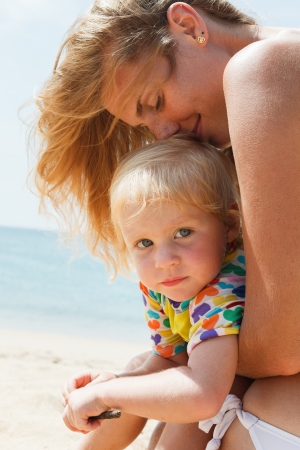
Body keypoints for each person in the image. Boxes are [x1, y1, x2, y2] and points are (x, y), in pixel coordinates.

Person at [34, 0, 300, 449]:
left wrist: (173, 375)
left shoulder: (262, 67)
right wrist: (148, 377)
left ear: (187, 24)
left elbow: (282, 345)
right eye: (145, 122)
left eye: (155, 101)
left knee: (198, 413)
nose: (164, 132)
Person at [62, 135, 248, 450]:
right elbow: (173, 360)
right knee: (136, 370)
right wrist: (114, 384)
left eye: (183, 232)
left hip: (246, 384)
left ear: (229, 225)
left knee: (174, 435)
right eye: (144, 243)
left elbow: (203, 394)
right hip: (209, 377)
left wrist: (105, 396)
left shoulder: (223, 287)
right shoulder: (164, 284)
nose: (164, 261)